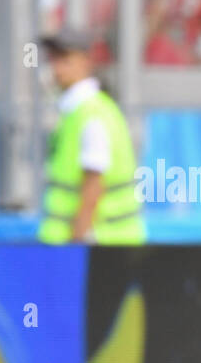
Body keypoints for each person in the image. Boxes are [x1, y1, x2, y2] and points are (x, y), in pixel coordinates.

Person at [37, 29, 146, 245]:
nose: (57, 68)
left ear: (86, 62)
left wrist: (76, 243)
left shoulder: (91, 114)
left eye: (65, 59)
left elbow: (93, 186)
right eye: (54, 59)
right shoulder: (78, 111)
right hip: (101, 246)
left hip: (100, 246)